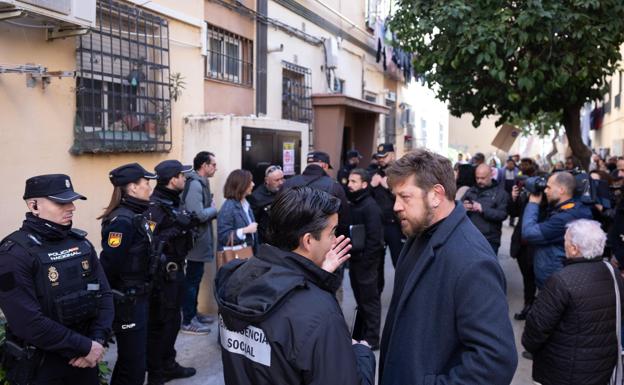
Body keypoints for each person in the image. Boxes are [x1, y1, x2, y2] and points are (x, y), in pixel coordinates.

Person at [379, 149, 517, 385]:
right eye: (395, 197)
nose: (396, 206)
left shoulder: (472, 261)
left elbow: (495, 361)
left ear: (436, 195)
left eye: (405, 197)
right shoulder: (419, 234)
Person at [215, 186, 375, 385]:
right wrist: (363, 355)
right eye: (332, 233)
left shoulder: (234, 278)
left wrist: (319, 276)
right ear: (308, 240)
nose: (334, 240)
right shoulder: (321, 314)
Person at [0, 174, 113, 384]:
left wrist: (97, 341)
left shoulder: (81, 244)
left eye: (71, 201)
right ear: (34, 205)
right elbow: (28, 322)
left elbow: (101, 292)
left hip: (85, 360)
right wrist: (85, 347)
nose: (71, 207)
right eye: (61, 202)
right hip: (42, 366)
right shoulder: (13, 255)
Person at [522, 219, 621, 385]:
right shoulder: (613, 273)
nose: (564, 244)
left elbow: (537, 328)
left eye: (566, 241)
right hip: (601, 369)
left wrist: (530, 346)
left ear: (574, 249)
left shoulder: (561, 281)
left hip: (561, 371)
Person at [99, 163, 157, 385]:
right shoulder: (122, 220)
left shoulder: (138, 214)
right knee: (133, 365)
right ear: (132, 188)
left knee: (132, 360)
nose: (150, 187)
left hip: (139, 296)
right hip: (127, 301)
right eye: (146, 182)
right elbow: (110, 263)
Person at [145, 160, 198, 384]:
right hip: (164, 273)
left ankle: (168, 363)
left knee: (173, 320)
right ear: (173, 179)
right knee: (163, 322)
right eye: (182, 176)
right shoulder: (155, 206)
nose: (185, 180)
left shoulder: (171, 201)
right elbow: (151, 240)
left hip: (176, 269)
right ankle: (158, 370)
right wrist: (180, 227)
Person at [522, 171, 593, 289]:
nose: (545, 191)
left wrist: (533, 204)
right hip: (554, 275)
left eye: (548, 187)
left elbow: (529, 233)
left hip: (555, 280)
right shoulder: (571, 207)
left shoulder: (566, 217)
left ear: (561, 190)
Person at [181, 151, 218, 334]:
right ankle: (188, 320)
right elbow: (198, 214)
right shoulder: (195, 184)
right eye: (213, 165)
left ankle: (193, 313)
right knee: (192, 280)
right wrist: (213, 209)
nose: (215, 168)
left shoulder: (201, 182)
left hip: (200, 240)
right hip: (194, 242)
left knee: (195, 278)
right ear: (204, 165)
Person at [347, 168, 384, 349]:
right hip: (356, 260)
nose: (349, 184)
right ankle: (360, 335)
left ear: (364, 184)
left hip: (366, 263)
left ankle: (372, 339)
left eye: (354, 182)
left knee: (369, 301)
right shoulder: (355, 203)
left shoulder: (370, 207)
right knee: (361, 301)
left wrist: (366, 261)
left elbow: (375, 239)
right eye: (349, 181)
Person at [283, 151, 350, 238]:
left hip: (291, 240)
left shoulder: (288, 183)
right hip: (321, 241)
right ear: (324, 165)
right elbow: (344, 219)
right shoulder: (334, 186)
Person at [508, 158, 539, 320]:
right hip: (521, 242)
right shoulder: (520, 188)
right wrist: (513, 197)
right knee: (527, 277)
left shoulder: (541, 193)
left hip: (534, 243)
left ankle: (534, 307)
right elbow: (512, 213)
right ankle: (528, 305)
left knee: (534, 276)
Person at [461, 163, 509, 254]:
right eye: (477, 178)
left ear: (491, 175)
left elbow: (502, 215)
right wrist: (463, 207)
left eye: (483, 178)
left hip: (489, 240)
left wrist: (482, 209)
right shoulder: (470, 190)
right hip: (469, 237)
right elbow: (458, 207)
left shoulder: (501, 194)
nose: (479, 181)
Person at [370, 143, 403, 267]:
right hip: (378, 225)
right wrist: (370, 186)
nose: (381, 159)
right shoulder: (373, 173)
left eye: (384, 156)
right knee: (376, 265)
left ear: (393, 155)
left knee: (399, 262)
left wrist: (389, 188)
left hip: (395, 225)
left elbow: (408, 197)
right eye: (379, 157)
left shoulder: (401, 174)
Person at [217, 169, 258, 255]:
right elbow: (223, 237)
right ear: (241, 185)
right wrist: (245, 230)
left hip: (248, 255)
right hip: (236, 258)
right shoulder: (229, 207)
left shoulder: (245, 203)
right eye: (250, 182)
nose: (253, 184)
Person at [248, 164, 285, 244]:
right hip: (266, 241)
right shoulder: (257, 197)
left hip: (283, 238)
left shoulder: (285, 190)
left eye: (282, 179)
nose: (281, 182)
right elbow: (253, 221)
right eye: (277, 180)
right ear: (267, 180)